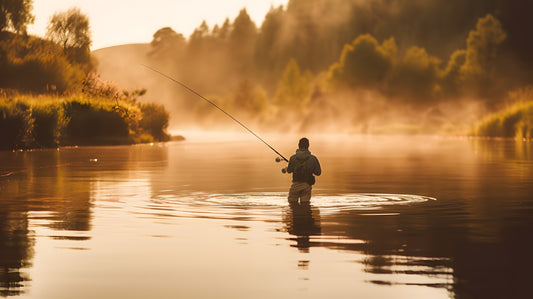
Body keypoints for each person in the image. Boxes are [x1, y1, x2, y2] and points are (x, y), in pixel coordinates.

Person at [286, 137, 321, 203]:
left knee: (292, 205)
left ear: (298, 145)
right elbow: (318, 173)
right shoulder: (313, 159)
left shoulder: (292, 158)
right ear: (308, 146)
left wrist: (290, 164)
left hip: (295, 185)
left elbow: (289, 171)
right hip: (307, 185)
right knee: (305, 205)